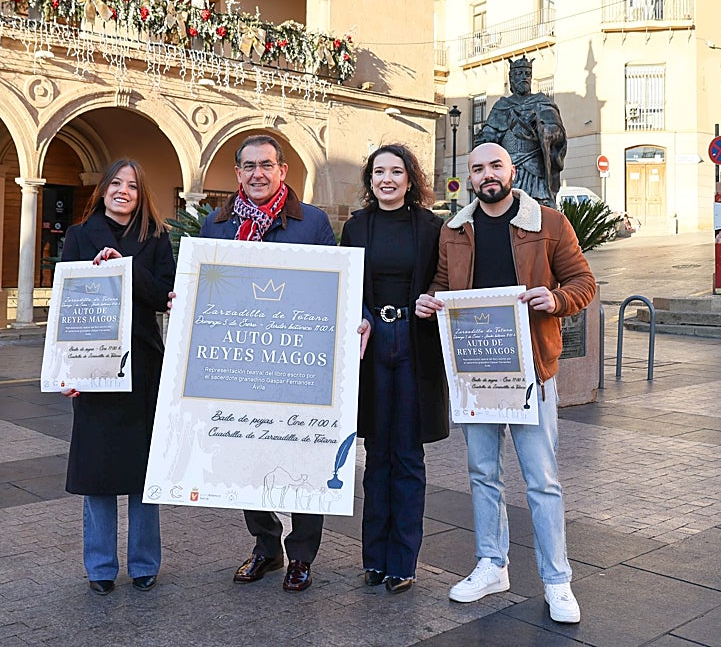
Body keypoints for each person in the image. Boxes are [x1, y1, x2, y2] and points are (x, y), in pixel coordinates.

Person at [415, 142, 596, 624]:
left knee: (543, 481)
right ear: (470, 178)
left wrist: (554, 300)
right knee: (482, 474)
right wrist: (431, 301)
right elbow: (439, 283)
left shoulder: (549, 224)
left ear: (511, 171)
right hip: (476, 372)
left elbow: (584, 283)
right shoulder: (455, 230)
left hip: (531, 370)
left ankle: (557, 580)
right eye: (478, 169)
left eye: (495, 165)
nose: (487, 174)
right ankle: (492, 565)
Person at [199, 134, 336, 592]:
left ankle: (301, 556)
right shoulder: (215, 225)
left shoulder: (312, 223)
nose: (258, 173)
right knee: (245, 457)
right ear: (237, 173)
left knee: (304, 458)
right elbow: (204, 289)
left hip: (298, 363)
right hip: (241, 362)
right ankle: (265, 546)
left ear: (283, 172)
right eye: (249, 166)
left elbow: (335, 290)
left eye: (267, 165)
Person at [60, 159, 175, 597]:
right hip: (93, 367)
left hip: (143, 366)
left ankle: (145, 563)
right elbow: (67, 307)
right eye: (116, 183)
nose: (123, 190)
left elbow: (164, 295)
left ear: (140, 193)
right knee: (98, 472)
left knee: (145, 473)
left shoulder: (156, 237)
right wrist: (66, 369)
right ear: (103, 189)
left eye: (131, 185)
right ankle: (100, 566)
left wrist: (124, 265)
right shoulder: (78, 235)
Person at [339, 144, 448, 595]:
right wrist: (360, 312)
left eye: (396, 171)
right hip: (371, 342)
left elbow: (444, 280)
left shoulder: (431, 227)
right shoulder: (356, 226)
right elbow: (345, 284)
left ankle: (403, 561)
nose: (387, 179)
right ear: (370, 179)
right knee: (376, 455)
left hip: (414, 344)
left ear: (410, 179)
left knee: (407, 454)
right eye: (379, 171)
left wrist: (433, 299)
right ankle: (374, 560)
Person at [474, 55, 567, 207]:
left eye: (527, 74)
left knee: (538, 207)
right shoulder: (502, 105)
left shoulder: (542, 102)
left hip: (534, 169)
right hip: (507, 168)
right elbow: (491, 133)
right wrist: (484, 138)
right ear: (511, 78)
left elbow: (558, 132)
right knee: (507, 207)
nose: (523, 77)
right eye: (519, 74)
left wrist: (542, 128)